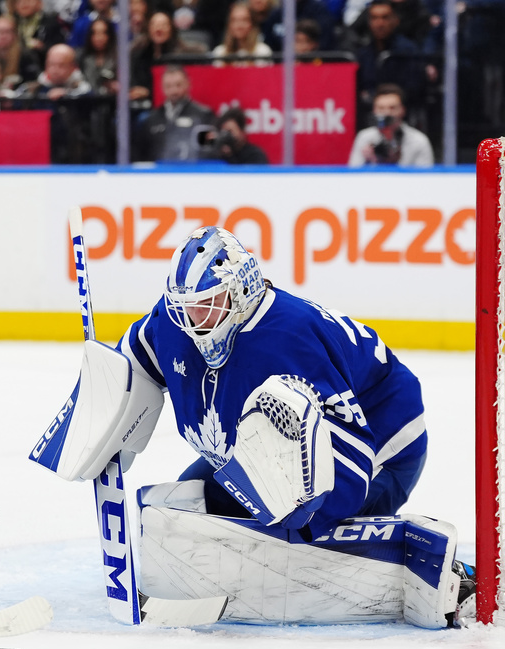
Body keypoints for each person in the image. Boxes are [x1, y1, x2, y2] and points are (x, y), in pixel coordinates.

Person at [35, 225, 474, 627]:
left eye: (208, 307)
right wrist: (98, 417)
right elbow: (129, 368)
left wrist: (300, 522)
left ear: (242, 291)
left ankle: (422, 568)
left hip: (383, 441)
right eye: (187, 309)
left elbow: (352, 466)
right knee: (184, 516)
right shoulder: (174, 322)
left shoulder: (288, 340)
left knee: (290, 526)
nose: (195, 322)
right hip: (255, 444)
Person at [132, 65, 217, 162]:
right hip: (158, 174)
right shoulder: (151, 119)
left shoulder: (204, 115)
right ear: (162, 87)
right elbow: (141, 153)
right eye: (168, 86)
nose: (174, 91)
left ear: (188, 84)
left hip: (192, 172)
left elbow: (210, 150)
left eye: (178, 85)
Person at [348, 83, 434, 167]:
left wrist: (396, 163)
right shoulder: (364, 138)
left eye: (392, 108)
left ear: (402, 110)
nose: (387, 113)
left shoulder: (418, 141)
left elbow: (426, 178)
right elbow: (352, 176)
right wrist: (367, 163)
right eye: (381, 108)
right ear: (374, 110)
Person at [211, 0, 273, 66]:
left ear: (252, 23)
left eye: (244, 20)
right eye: (234, 20)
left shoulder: (262, 51)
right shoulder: (220, 52)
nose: (239, 25)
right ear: (229, 24)